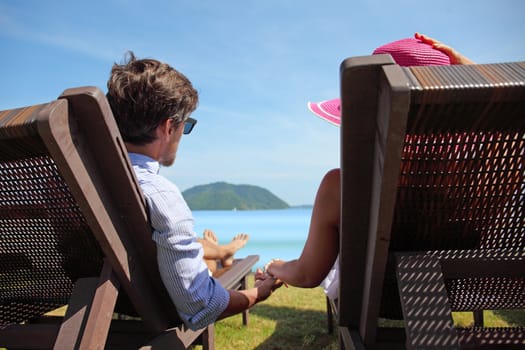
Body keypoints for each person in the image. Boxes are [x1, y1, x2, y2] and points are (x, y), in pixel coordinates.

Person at [262, 33, 475, 299]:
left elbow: (307, 274)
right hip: (452, 291)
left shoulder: (343, 187)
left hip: (376, 299)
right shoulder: (481, 180)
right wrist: (471, 82)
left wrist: (275, 267)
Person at [106, 52, 281, 331]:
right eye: (185, 126)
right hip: (160, 309)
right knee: (203, 257)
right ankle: (224, 253)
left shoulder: (85, 183)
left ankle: (220, 252)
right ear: (168, 127)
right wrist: (260, 293)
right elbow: (201, 304)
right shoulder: (160, 196)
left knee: (197, 250)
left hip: (103, 301)